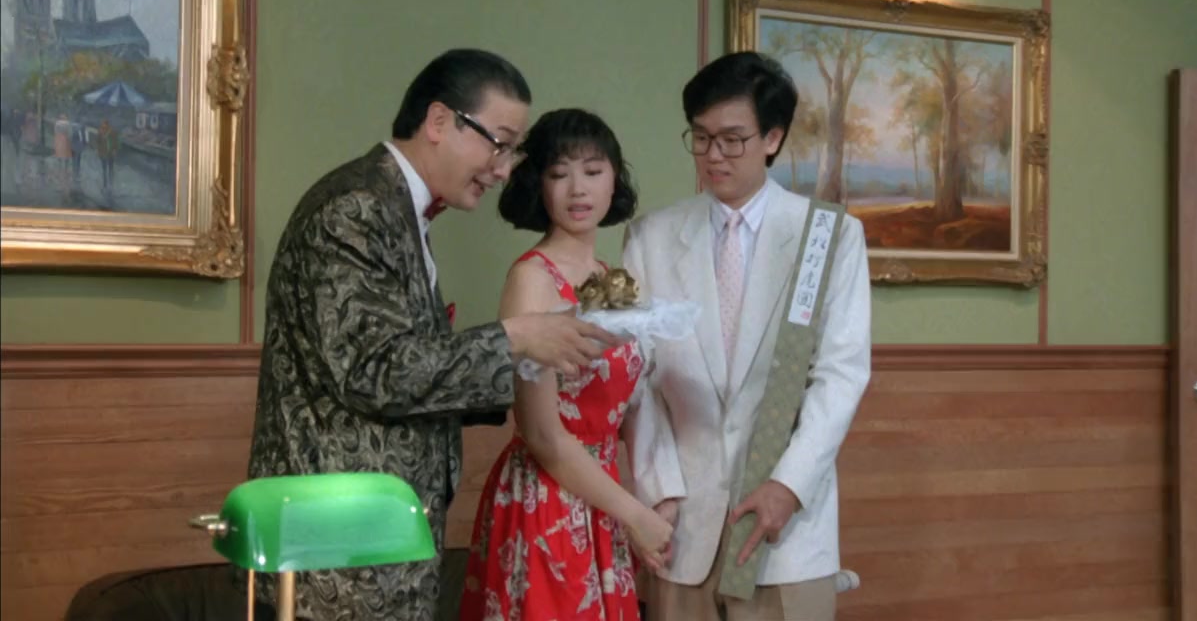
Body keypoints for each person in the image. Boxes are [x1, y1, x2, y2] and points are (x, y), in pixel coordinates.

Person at [246, 50, 623, 621]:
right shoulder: (356, 209)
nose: (503, 169)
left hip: (380, 543)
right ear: (440, 121)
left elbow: (409, 370)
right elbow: (374, 371)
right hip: (339, 555)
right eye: (499, 144)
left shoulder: (399, 210)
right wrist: (513, 339)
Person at [621, 51, 872, 620]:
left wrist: (790, 485)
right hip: (680, 528)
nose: (713, 155)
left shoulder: (828, 236)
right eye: (701, 137)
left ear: (773, 138)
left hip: (784, 530)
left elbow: (840, 373)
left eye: (733, 139)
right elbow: (638, 380)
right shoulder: (650, 239)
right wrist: (657, 488)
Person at [458, 108, 674, 621]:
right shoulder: (532, 279)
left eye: (593, 171)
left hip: (603, 494)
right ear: (539, 184)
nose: (578, 189)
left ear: (614, 180)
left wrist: (644, 501)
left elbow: (631, 404)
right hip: (546, 498)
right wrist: (634, 513)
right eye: (559, 174)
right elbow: (541, 434)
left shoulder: (612, 277)